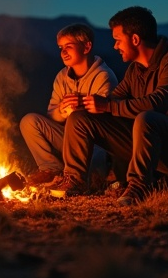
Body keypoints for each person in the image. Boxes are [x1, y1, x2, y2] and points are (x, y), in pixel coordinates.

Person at [50, 6, 168, 205]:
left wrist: (108, 106)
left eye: (118, 40)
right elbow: (114, 99)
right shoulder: (135, 70)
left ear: (135, 39)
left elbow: (157, 103)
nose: (114, 46)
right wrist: (86, 104)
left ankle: (138, 187)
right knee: (80, 118)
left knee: (147, 117)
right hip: (153, 144)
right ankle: (74, 181)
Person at [20, 23, 118, 190]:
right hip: (68, 140)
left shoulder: (103, 77)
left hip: (97, 148)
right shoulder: (62, 76)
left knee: (79, 125)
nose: (63, 51)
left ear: (86, 47)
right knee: (29, 122)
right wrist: (62, 111)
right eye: (60, 47)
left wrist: (79, 110)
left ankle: (90, 177)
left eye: (69, 46)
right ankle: (51, 169)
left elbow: (106, 122)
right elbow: (52, 116)